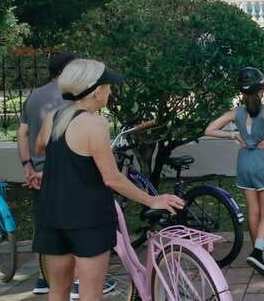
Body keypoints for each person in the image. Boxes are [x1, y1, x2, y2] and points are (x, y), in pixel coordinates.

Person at [32, 59, 184, 301]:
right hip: (88, 218)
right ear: (97, 91)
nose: (110, 91)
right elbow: (112, 178)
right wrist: (151, 199)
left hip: (52, 214)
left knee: (58, 290)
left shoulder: (54, 117)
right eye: (108, 86)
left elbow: (40, 147)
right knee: (90, 293)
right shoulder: (94, 123)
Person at [204, 67, 264, 278]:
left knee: (253, 211)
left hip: (244, 164)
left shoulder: (235, 113)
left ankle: (260, 253)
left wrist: (233, 135)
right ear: (262, 89)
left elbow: (209, 129)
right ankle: (258, 251)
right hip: (263, 164)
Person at [16, 52, 81, 296]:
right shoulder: (69, 97)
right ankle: (75, 282)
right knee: (73, 223)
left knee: (45, 225)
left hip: (38, 173)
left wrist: (27, 165)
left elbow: (22, 133)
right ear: (67, 70)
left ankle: (43, 280)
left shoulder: (34, 96)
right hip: (64, 172)